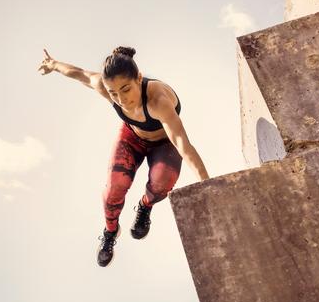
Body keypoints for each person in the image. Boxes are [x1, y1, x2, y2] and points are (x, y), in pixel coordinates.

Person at [38, 46, 209, 267]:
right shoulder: (104, 86)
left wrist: (208, 185)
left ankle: (145, 206)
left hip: (164, 143)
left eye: (126, 89)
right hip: (132, 137)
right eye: (113, 93)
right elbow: (79, 73)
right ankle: (110, 233)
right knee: (113, 189)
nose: (121, 99)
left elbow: (183, 145)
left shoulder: (158, 100)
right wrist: (53, 65)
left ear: (138, 78)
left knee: (161, 183)